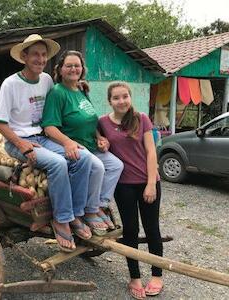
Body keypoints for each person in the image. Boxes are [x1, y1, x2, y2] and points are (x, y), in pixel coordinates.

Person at [0, 34, 95, 252]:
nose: (40, 59)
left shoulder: (47, 80)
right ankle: (61, 219)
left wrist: (80, 85)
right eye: (35, 55)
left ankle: (76, 214)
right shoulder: (10, 84)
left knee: (83, 157)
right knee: (58, 163)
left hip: (42, 138)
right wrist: (21, 144)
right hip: (19, 141)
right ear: (24, 57)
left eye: (43, 55)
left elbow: (64, 92)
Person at [42, 50, 123, 235]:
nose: (73, 69)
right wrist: (67, 143)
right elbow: (49, 127)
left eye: (77, 65)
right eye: (68, 65)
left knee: (116, 165)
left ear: (82, 69)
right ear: (60, 70)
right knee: (98, 167)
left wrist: (99, 137)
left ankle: (99, 204)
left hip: (91, 144)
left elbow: (88, 119)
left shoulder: (81, 90)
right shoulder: (57, 93)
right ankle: (88, 211)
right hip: (73, 146)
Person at [98, 82, 163, 300]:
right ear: (110, 101)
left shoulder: (141, 118)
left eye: (125, 96)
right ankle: (134, 277)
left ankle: (156, 275)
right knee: (130, 231)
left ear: (130, 97)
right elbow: (101, 145)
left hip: (148, 181)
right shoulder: (103, 123)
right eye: (116, 98)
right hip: (123, 185)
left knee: (152, 228)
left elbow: (151, 151)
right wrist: (102, 143)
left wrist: (151, 183)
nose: (122, 101)